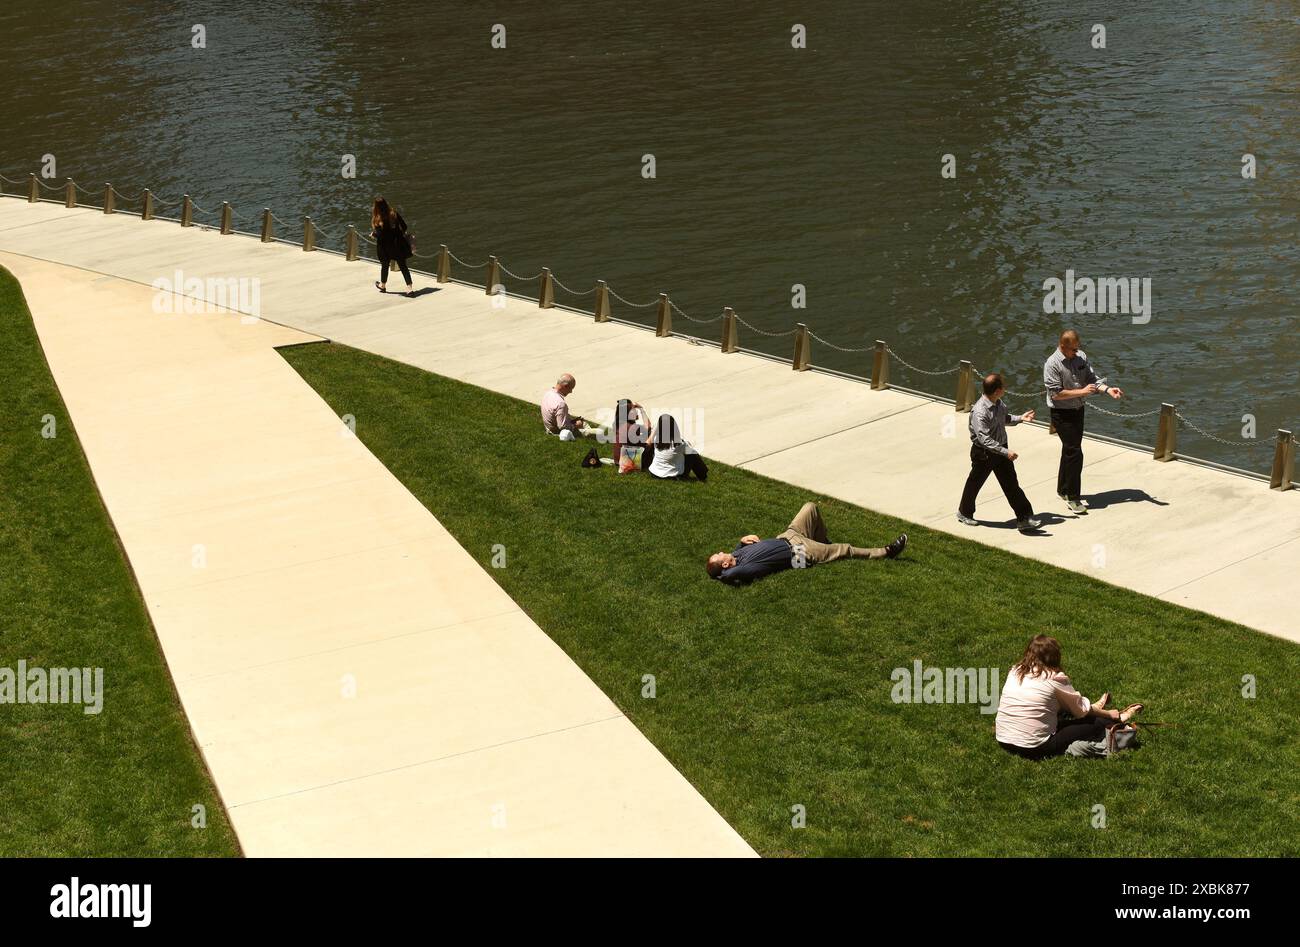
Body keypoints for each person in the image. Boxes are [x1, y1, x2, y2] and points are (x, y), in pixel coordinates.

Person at [995, 634, 1143, 761]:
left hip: (1003, 739)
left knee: (1060, 709)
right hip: (1034, 747)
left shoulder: (1015, 670)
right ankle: (1121, 718)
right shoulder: (1054, 678)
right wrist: (1110, 714)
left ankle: (1097, 708)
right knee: (1095, 722)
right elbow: (1081, 711)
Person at [707, 501, 907, 584]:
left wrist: (741, 542)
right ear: (724, 565)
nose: (720, 551)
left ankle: (823, 543)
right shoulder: (742, 569)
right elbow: (730, 575)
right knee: (844, 549)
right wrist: (720, 576)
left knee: (810, 507)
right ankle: (887, 551)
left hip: (788, 535)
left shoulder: (737, 555)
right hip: (799, 553)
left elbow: (734, 553)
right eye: (719, 555)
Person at [1044, 329, 1124, 514]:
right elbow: (1055, 393)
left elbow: (1091, 379)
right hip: (1061, 413)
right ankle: (1073, 497)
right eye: (1073, 349)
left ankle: (1062, 489)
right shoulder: (1052, 364)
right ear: (1063, 346)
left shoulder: (1081, 357)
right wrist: (1082, 392)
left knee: (1070, 449)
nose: (1076, 352)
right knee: (1075, 453)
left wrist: (1107, 390)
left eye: (1077, 348)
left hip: (1078, 410)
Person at [957, 373, 1041, 532]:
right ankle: (964, 513)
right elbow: (984, 440)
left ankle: (1024, 518)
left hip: (1001, 450)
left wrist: (1021, 418)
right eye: (1002, 386)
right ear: (996, 391)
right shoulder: (980, 412)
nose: (1005, 388)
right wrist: (1005, 451)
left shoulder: (998, 403)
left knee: (1011, 485)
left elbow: (1004, 418)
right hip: (984, 453)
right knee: (975, 483)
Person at [370, 196, 415, 297]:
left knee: (385, 265)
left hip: (384, 247)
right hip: (397, 243)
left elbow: (381, 235)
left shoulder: (377, 218)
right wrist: (398, 234)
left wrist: (373, 235)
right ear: (386, 204)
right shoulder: (393, 214)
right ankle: (409, 288)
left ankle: (383, 285)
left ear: (376, 207)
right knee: (403, 266)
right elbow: (404, 226)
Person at [644, 414, 708, 481]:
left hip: (654, 473)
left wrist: (660, 424)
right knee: (692, 454)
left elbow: (654, 433)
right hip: (671, 476)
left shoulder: (656, 439)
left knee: (687, 452)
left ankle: (703, 475)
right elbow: (690, 448)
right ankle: (703, 476)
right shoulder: (679, 444)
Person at [541, 374, 600, 441]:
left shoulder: (548, 393)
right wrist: (575, 425)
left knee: (584, 423)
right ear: (565, 386)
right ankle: (591, 435)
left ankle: (588, 433)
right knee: (599, 432)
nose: (571, 391)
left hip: (549, 427)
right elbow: (563, 427)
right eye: (571, 388)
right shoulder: (561, 403)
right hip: (559, 432)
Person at [612, 399, 652, 471]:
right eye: (633, 410)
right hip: (627, 461)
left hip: (617, 459)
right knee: (651, 437)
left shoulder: (617, 424)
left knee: (647, 435)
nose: (636, 411)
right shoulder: (631, 427)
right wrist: (642, 410)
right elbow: (648, 426)